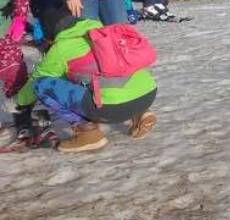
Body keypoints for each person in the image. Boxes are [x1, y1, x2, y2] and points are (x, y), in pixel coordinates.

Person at [11, 18, 157, 152]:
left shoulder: (62, 47)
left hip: (114, 108)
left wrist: (18, 102)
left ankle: (88, 133)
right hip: (147, 95)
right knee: (109, 78)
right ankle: (141, 113)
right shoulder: (106, 33)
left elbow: (39, 79)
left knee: (41, 85)